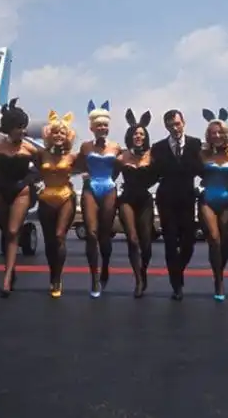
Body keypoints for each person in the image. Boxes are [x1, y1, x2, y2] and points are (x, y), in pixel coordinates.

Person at [0, 98, 40, 298]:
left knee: (13, 231)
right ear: (9, 128)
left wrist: (28, 180)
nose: (22, 131)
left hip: (21, 191)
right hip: (0, 192)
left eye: (24, 127)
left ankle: (7, 278)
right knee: (6, 232)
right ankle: (11, 269)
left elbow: (40, 169)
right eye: (19, 127)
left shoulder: (30, 149)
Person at [150, 109, 203, 300]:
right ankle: (176, 285)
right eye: (171, 125)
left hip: (187, 198)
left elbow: (202, 169)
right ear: (166, 126)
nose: (175, 128)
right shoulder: (158, 147)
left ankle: (177, 270)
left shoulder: (195, 144)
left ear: (183, 123)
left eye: (177, 124)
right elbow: (153, 174)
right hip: (166, 199)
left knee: (189, 243)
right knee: (171, 243)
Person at [75, 100, 121, 298]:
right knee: (91, 233)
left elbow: (120, 167)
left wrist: (112, 179)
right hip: (90, 187)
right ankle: (94, 277)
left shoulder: (116, 147)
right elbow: (77, 164)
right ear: (91, 128)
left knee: (105, 233)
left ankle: (106, 266)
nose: (102, 128)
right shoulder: (85, 147)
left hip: (108, 187)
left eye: (104, 125)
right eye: (98, 125)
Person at [36, 110, 78, 298]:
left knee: (59, 236)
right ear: (49, 135)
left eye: (62, 132)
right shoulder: (41, 154)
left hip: (65, 196)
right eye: (55, 132)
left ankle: (57, 278)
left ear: (67, 136)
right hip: (46, 197)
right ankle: (52, 272)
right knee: (49, 241)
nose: (59, 135)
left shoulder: (73, 156)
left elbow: (92, 163)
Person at [117, 108, 156, 298]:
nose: (138, 136)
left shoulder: (152, 155)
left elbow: (161, 174)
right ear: (130, 136)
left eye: (141, 133)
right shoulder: (122, 156)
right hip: (126, 199)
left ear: (145, 136)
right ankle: (138, 281)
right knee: (132, 239)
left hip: (145, 200)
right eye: (135, 133)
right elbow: (109, 176)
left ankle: (143, 270)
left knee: (146, 243)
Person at [198, 108, 228, 301]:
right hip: (207, 199)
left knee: (225, 242)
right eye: (213, 133)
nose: (217, 135)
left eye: (220, 132)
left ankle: (220, 271)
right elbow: (194, 172)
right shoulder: (202, 154)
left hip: (226, 199)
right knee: (214, 239)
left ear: (225, 134)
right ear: (209, 136)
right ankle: (218, 281)